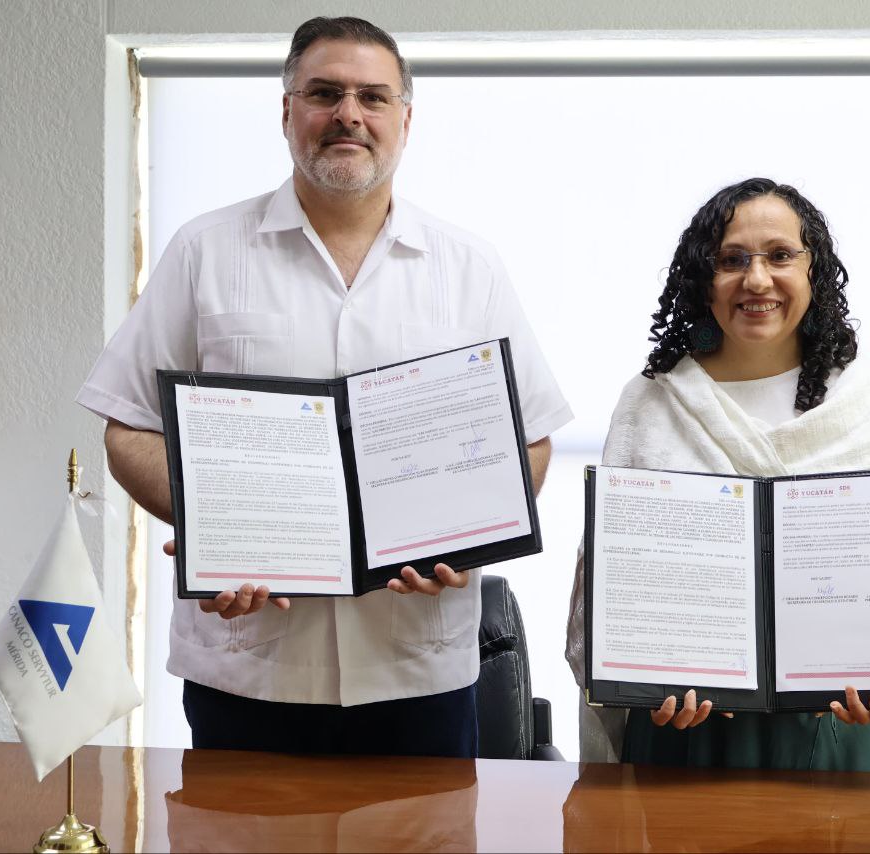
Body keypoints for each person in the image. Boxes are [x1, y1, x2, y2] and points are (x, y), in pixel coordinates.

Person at [77, 16, 572, 757]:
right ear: (287, 112)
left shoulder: (469, 267)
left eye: (373, 97)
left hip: (419, 674)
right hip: (249, 670)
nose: (349, 114)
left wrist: (462, 538)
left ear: (405, 120)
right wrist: (221, 526)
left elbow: (530, 439)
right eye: (324, 93)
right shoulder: (204, 252)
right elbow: (128, 427)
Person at [565, 177, 870, 771]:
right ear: (702, 277)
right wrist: (649, 680)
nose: (757, 280)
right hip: (692, 738)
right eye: (731, 260)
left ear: (815, 270)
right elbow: (608, 587)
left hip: (855, 732)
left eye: (780, 255)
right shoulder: (651, 403)